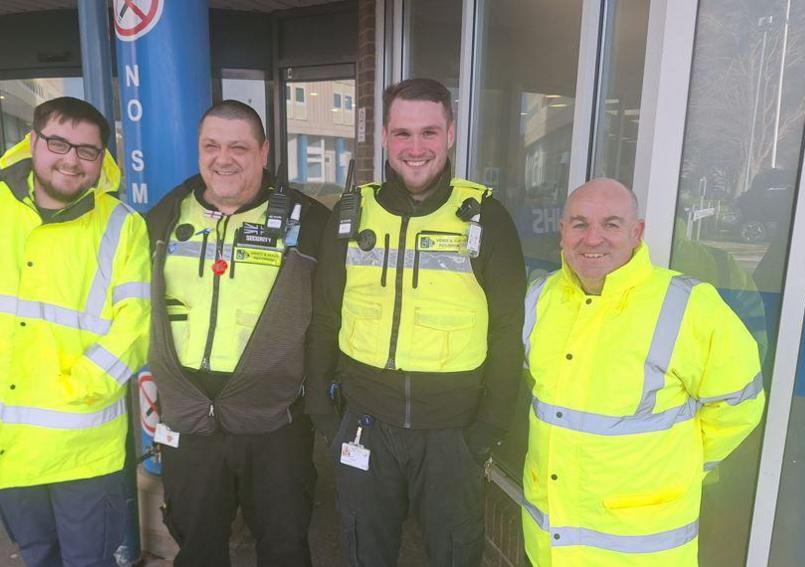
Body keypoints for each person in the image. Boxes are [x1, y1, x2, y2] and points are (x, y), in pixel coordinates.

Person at [306, 78, 527, 566]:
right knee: (365, 549)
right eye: (403, 133)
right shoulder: (350, 214)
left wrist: (488, 429)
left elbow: (509, 333)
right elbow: (325, 315)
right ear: (385, 137)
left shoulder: (486, 217)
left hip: (452, 433)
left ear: (450, 135)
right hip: (365, 423)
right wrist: (323, 413)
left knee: (454, 554)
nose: (415, 147)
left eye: (429, 132)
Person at [0, 96, 150, 567]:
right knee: (37, 554)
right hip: (4, 436)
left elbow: (135, 323)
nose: (71, 159)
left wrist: (81, 388)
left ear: (100, 159)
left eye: (86, 150)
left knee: (91, 561)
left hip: (82, 442)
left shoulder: (121, 226)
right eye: (58, 143)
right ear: (32, 142)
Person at [521, 178, 765, 566]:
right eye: (580, 223)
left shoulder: (689, 304)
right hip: (550, 546)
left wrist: (684, 462)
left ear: (637, 233)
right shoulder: (541, 297)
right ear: (563, 231)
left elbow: (739, 406)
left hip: (640, 551)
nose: (593, 238)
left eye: (612, 224)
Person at [145, 100, 328, 567]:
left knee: (285, 547)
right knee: (198, 546)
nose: (222, 158)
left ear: (263, 152)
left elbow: (333, 317)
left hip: (276, 423)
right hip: (190, 419)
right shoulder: (166, 216)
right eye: (211, 145)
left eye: (238, 147)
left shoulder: (308, 224)